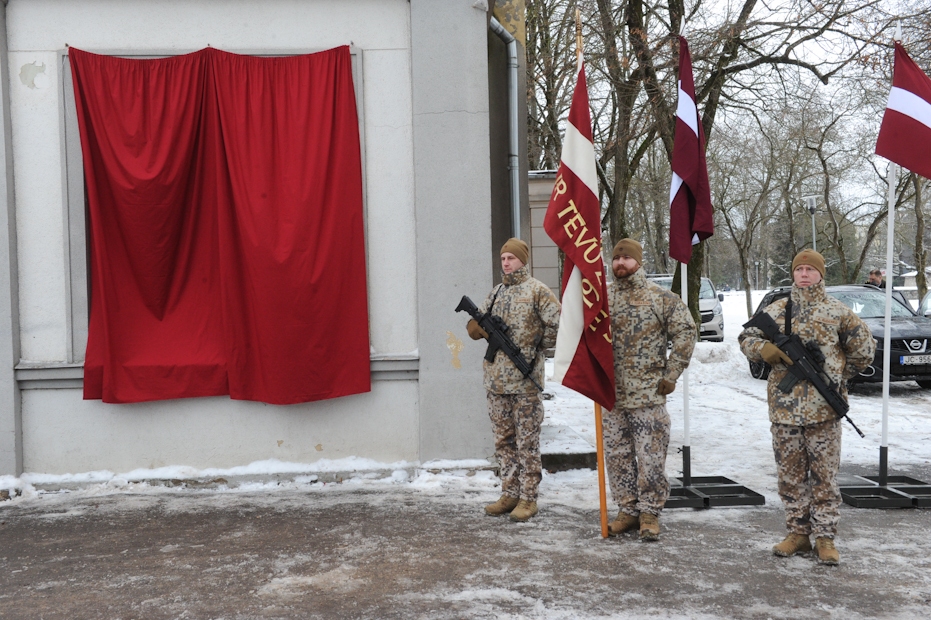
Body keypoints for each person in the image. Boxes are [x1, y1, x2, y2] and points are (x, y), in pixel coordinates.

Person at [739, 249, 875, 565]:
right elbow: (746, 337)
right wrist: (764, 349)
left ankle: (825, 538)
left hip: (823, 412)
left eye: (809, 269)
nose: (803, 274)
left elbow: (864, 351)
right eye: (798, 269)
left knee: (824, 477)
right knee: (791, 475)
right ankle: (798, 534)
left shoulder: (838, 312)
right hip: (784, 409)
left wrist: (839, 376)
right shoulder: (777, 310)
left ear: (820, 274)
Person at [604, 239, 696, 541]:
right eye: (617, 259)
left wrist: (672, 372)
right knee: (617, 456)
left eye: (627, 259)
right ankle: (627, 510)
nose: (620, 264)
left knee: (650, 457)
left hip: (647, 394)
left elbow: (686, 330)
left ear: (638, 262)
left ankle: (649, 514)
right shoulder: (599, 298)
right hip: (610, 395)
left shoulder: (659, 298)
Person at [466, 238, 560, 522]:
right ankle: (509, 493)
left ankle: (528, 498)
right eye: (503, 258)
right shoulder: (496, 293)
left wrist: (535, 346)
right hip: (496, 382)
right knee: (503, 442)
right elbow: (476, 323)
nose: (506, 263)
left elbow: (557, 325)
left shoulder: (537, 291)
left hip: (525, 382)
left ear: (523, 260)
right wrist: (478, 330)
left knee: (527, 443)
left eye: (511, 258)